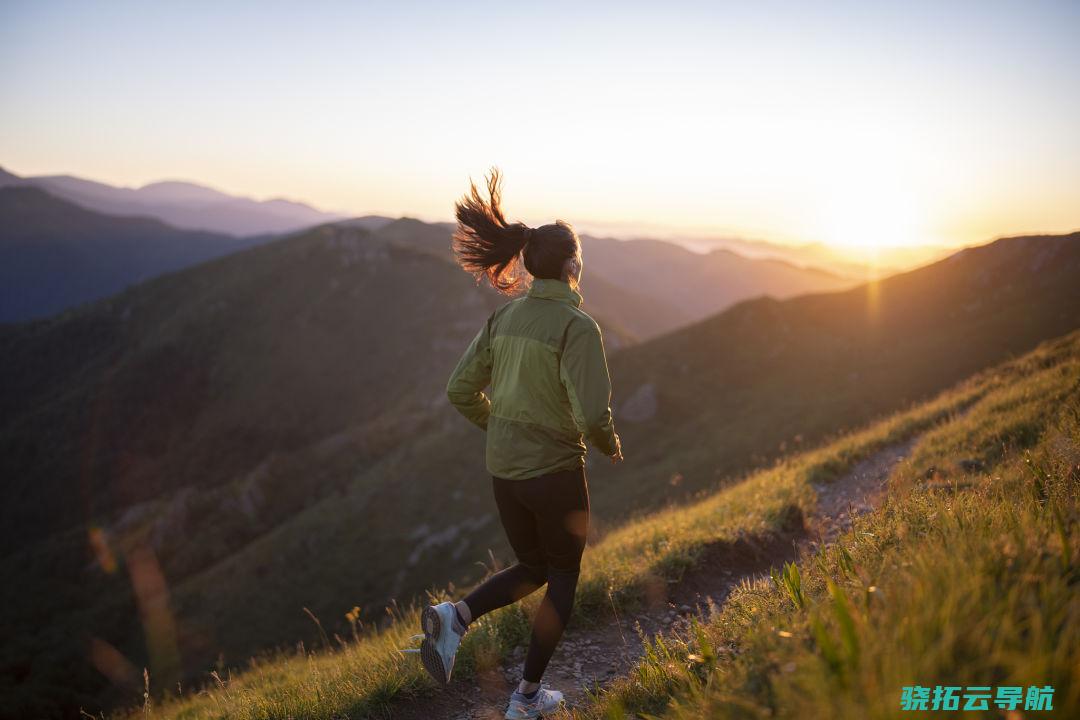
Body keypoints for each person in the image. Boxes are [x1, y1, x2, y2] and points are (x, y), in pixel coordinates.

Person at [415, 167, 623, 719]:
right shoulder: (578, 328)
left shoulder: (504, 318)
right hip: (554, 471)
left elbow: (460, 390)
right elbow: (591, 412)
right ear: (572, 267)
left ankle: (454, 617)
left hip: (504, 471)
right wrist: (608, 444)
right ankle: (527, 699)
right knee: (562, 576)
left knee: (532, 565)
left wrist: (503, 428)